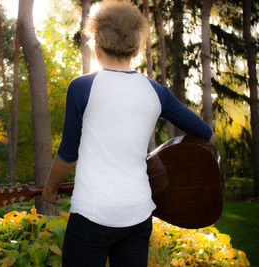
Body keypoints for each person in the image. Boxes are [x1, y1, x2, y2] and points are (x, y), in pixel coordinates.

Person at [42, 1, 216, 266]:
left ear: (96, 47)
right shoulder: (157, 93)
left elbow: (68, 154)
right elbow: (206, 135)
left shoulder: (81, 88)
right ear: (135, 51)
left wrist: (49, 188)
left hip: (91, 216)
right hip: (137, 217)